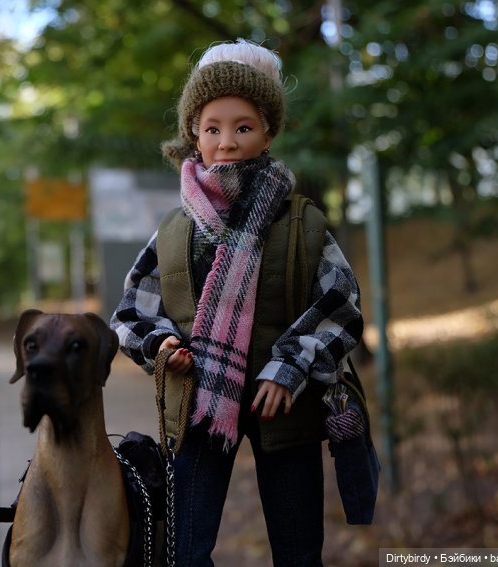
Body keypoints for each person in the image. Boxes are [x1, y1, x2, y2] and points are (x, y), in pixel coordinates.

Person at [109, 39, 364, 566]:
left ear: (268, 132)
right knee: (184, 550)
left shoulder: (303, 224)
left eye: (243, 127)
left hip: (285, 409)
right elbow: (131, 312)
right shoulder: (176, 230)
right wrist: (162, 346)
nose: (226, 142)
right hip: (200, 404)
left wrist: (290, 365)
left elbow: (341, 306)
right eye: (212, 128)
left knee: (298, 551)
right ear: (193, 136)